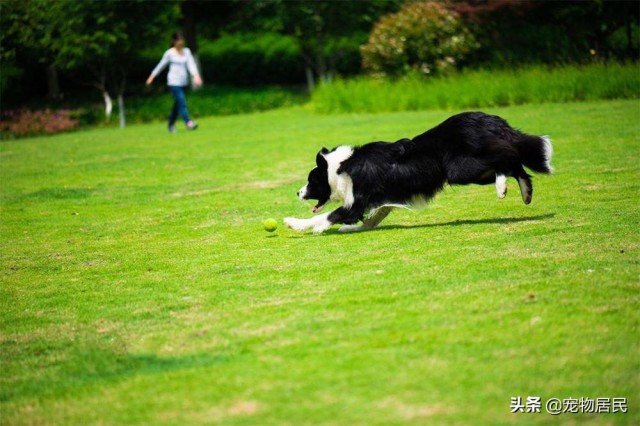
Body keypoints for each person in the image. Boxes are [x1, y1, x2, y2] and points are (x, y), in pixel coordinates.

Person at [146, 31, 202, 132]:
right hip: (173, 82)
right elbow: (161, 65)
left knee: (178, 105)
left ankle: (170, 125)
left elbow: (191, 65)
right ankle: (188, 122)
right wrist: (152, 77)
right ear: (174, 41)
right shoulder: (169, 53)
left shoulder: (187, 52)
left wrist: (196, 76)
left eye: (182, 40)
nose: (180, 42)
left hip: (184, 82)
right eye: (178, 40)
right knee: (182, 102)